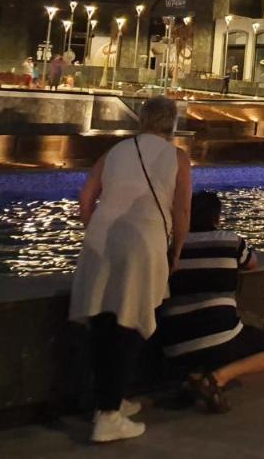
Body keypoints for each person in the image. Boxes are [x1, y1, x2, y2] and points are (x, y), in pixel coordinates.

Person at [68, 97, 192, 443]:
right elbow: (182, 211)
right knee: (128, 324)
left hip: (100, 241)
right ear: (172, 124)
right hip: (142, 244)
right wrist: (177, 250)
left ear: (142, 120)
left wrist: (96, 229)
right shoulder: (177, 157)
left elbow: (86, 198)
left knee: (102, 320)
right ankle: (108, 417)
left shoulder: (114, 152)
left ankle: (109, 401)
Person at [159, 192, 264, 412]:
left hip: (173, 343)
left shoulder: (172, 247)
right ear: (216, 217)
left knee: (211, 346)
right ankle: (216, 379)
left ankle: (194, 378)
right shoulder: (230, 240)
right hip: (220, 335)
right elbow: (252, 263)